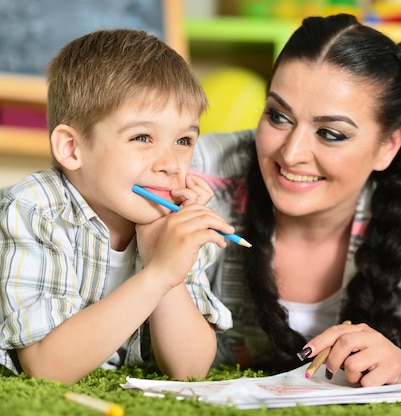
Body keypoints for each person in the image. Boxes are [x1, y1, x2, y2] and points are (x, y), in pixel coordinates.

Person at [191, 13, 401, 388]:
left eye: (331, 133)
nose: (291, 153)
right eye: (278, 116)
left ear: (388, 146)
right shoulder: (200, 172)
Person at [0, 29, 235, 385]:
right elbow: (47, 368)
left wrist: (166, 264)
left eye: (184, 140)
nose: (172, 163)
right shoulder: (33, 210)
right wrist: (157, 275)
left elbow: (189, 371)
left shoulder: (175, 224)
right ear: (71, 148)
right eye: (142, 137)